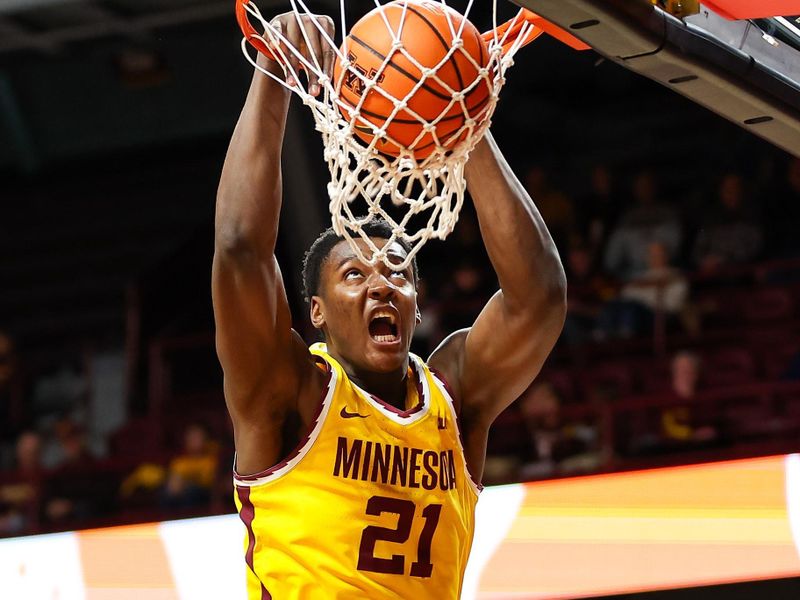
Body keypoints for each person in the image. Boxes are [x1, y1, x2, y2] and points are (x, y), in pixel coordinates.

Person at [213, 11, 566, 599]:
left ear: (415, 302)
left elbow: (539, 299)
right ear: (318, 313)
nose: (381, 284)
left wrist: (463, 116)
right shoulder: (291, 393)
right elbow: (239, 249)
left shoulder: (454, 396)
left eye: (398, 272)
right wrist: (272, 71)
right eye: (354, 274)